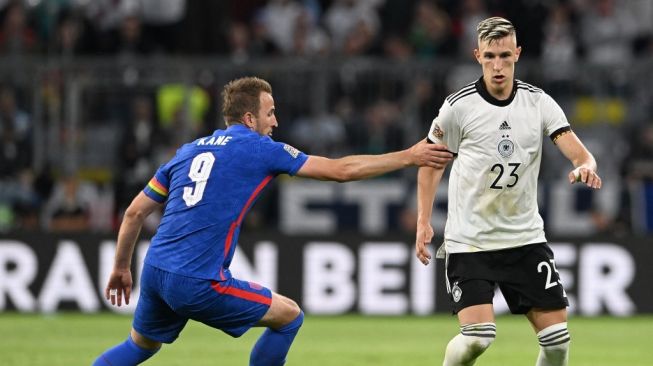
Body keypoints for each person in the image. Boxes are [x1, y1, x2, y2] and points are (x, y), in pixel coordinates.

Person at [93, 76, 453, 366]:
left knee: (141, 346)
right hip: (196, 280)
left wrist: (122, 268)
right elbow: (341, 170)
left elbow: (134, 213)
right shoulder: (258, 148)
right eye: (270, 112)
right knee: (289, 316)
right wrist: (409, 156)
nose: (275, 121)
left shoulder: (189, 151)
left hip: (154, 270)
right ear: (250, 119)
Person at [415, 17, 602, 366]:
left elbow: (579, 152)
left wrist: (585, 165)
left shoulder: (539, 103)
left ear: (517, 53)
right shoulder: (458, 107)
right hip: (471, 241)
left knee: (557, 342)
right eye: (489, 57)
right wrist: (423, 221)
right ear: (477, 56)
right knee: (477, 339)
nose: (497, 66)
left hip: (524, 239)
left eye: (504, 56)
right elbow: (430, 163)